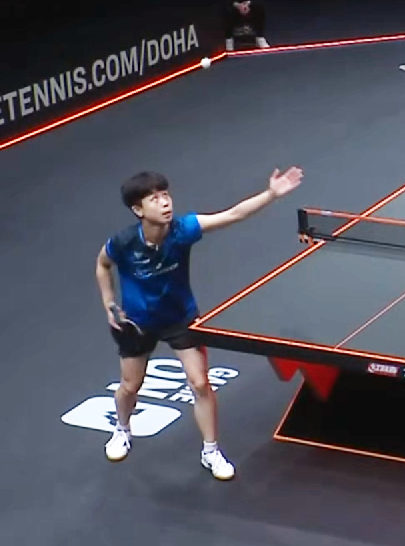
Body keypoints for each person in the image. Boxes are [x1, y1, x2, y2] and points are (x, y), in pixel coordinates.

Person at [95, 166, 304, 480]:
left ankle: (211, 451)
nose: (165, 202)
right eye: (154, 199)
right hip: (138, 322)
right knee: (130, 386)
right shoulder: (124, 242)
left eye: (166, 195)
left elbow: (233, 214)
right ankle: (122, 429)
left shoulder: (184, 229)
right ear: (138, 210)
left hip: (180, 318)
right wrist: (109, 303)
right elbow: (102, 265)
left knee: (200, 383)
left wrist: (271, 194)